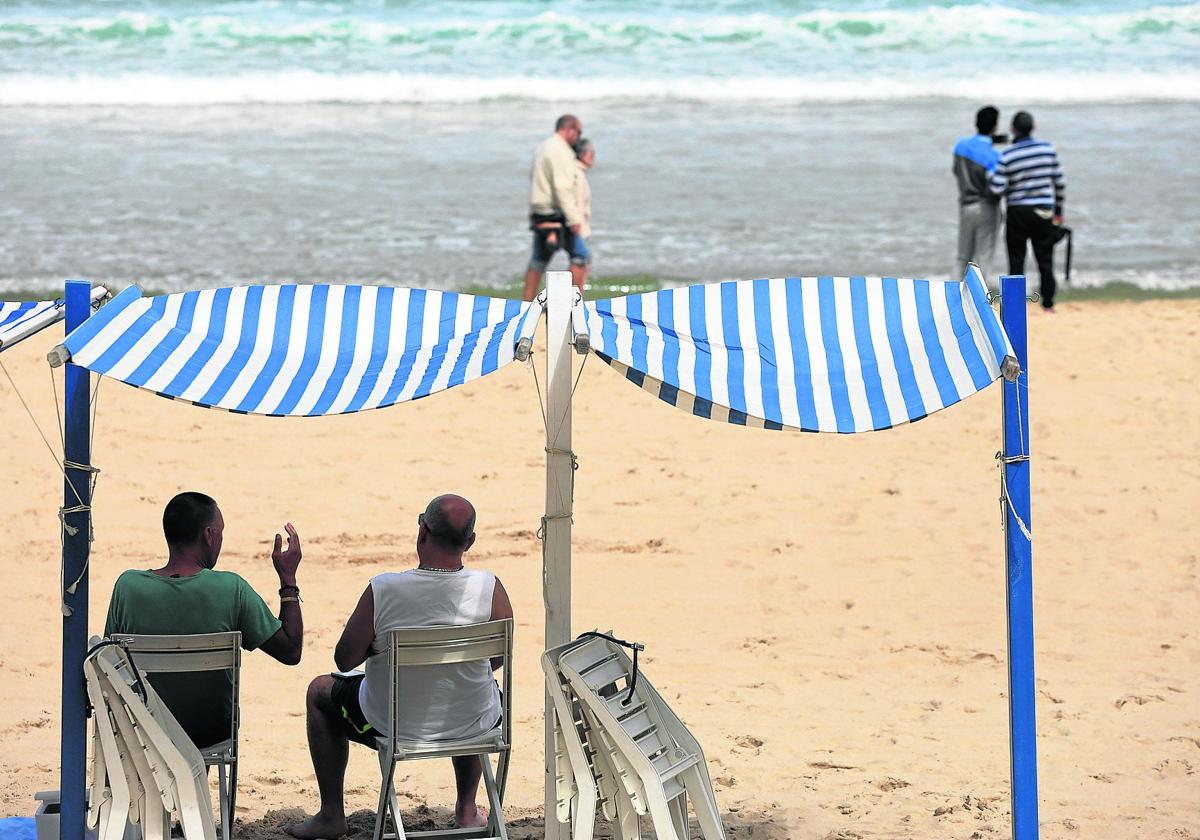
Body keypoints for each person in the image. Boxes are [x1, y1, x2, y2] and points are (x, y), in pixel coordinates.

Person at [287, 494, 514, 839]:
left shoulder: (385, 589)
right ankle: (467, 809)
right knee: (473, 689)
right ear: (470, 542)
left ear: (422, 531)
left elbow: (344, 659)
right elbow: (497, 660)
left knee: (320, 691)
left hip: (392, 725)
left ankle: (332, 813)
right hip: (473, 724)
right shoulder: (490, 588)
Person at [104, 491, 304, 750]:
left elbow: (108, 661)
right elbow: (290, 650)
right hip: (210, 735)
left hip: (144, 732)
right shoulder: (232, 589)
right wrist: (288, 580)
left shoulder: (128, 587)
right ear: (208, 535)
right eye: (220, 532)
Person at [990, 110, 1067, 310]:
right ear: (1033, 128)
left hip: (1018, 211)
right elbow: (1059, 183)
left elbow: (996, 187)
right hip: (1043, 211)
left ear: (1013, 129)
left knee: (1016, 260)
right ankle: (1048, 303)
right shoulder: (1048, 150)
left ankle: (1015, 306)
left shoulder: (1007, 154)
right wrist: (1058, 212)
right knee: (1045, 260)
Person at [522, 114, 590, 301]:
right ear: (569, 130)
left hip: (540, 212)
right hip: (556, 214)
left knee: (538, 261)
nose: (579, 137)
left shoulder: (543, 147)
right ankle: (573, 304)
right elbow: (562, 187)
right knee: (581, 257)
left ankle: (527, 304)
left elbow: (533, 177)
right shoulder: (560, 151)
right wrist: (574, 218)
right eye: (578, 132)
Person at [953, 105, 1002, 281]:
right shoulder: (994, 155)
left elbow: (956, 171)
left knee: (962, 257)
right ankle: (979, 303)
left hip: (966, 204)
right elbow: (996, 186)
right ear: (994, 127)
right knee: (983, 258)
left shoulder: (960, 146)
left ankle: (953, 299)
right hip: (986, 206)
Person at [572, 137, 596, 292]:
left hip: (579, 226)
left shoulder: (579, 172)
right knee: (581, 260)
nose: (593, 157)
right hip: (574, 226)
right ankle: (573, 301)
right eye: (591, 153)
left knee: (582, 261)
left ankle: (573, 300)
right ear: (581, 154)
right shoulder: (576, 175)